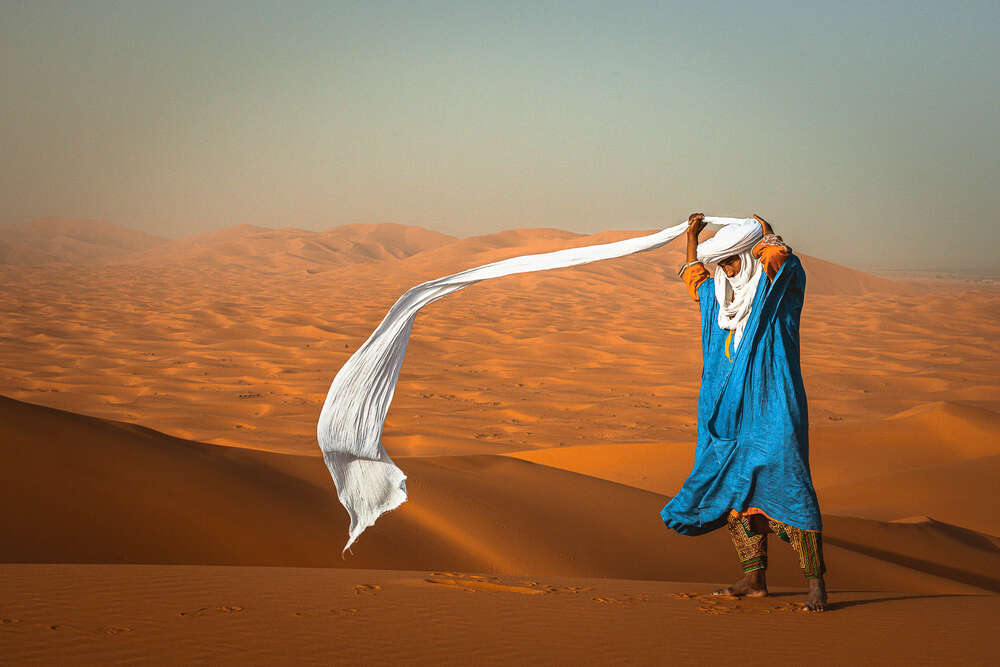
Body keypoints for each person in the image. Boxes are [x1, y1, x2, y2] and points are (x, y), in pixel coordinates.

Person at [659, 212, 828, 612]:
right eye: (722, 263)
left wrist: (768, 233)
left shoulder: (776, 293)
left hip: (774, 408)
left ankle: (816, 583)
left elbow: (782, 262)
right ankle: (754, 580)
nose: (727, 269)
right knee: (736, 493)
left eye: (733, 260)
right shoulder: (719, 299)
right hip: (728, 414)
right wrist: (691, 238)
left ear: (749, 257)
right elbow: (694, 277)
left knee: (791, 485)